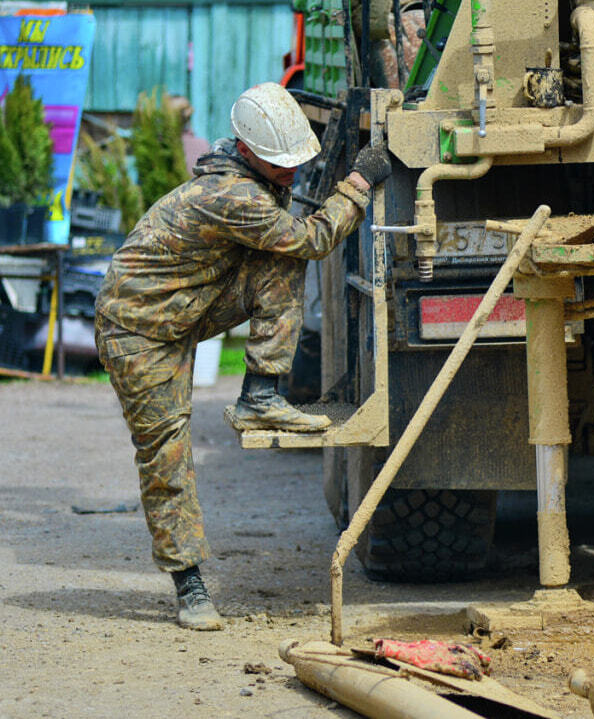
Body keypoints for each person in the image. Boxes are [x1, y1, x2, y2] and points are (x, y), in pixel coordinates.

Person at [94, 82, 391, 631]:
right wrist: (358, 182)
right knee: (166, 453)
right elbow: (315, 238)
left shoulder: (251, 179)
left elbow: (294, 243)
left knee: (283, 255)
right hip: (137, 331)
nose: (291, 174)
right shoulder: (235, 196)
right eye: (281, 166)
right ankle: (189, 585)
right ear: (248, 151)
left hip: (185, 305)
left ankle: (260, 395)